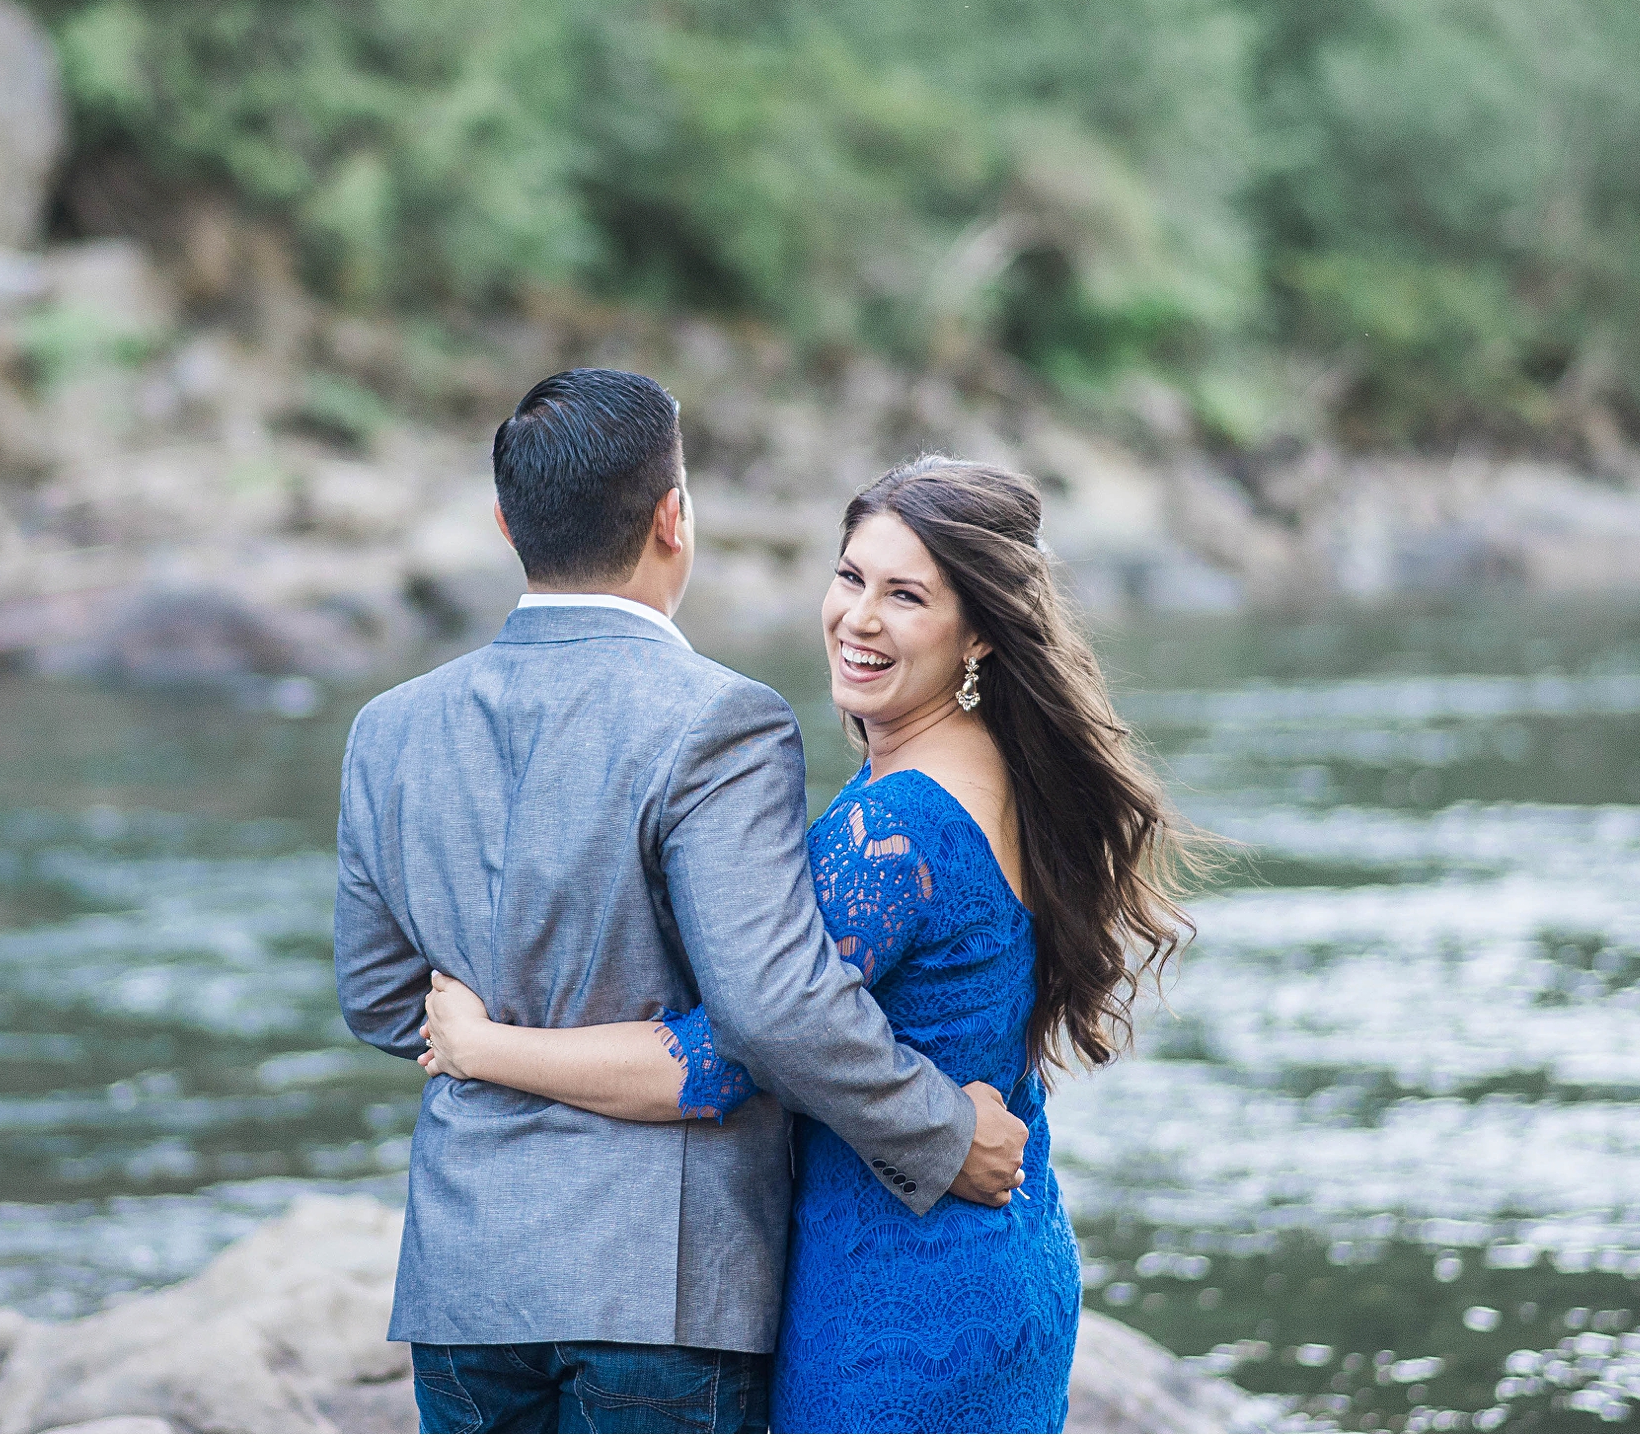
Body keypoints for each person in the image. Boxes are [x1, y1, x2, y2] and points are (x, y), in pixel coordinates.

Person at [418, 453, 1199, 1432]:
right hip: (999, 1255)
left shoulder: (894, 829)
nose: (858, 618)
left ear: (980, 637)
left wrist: (480, 1046)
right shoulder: (995, 769)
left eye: (905, 596)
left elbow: (714, 1063)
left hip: (898, 1305)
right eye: (849, 576)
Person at [334, 371, 1030, 1434]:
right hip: (662, 1286)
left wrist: (485, 1038)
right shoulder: (723, 719)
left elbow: (383, 1003)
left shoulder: (389, 728)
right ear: (673, 518)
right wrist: (939, 1131)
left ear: (503, 522)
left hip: (468, 1273)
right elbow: (772, 1010)